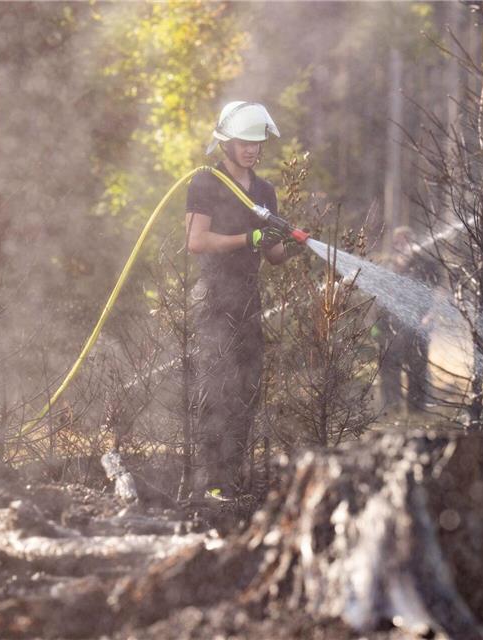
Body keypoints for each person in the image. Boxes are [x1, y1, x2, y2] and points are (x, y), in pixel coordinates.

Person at [185, 101, 295, 497]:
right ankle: (209, 483)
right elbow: (196, 242)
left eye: (257, 141)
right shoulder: (205, 183)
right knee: (217, 389)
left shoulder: (265, 191)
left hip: (249, 299)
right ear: (226, 143)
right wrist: (248, 238)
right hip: (215, 298)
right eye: (243, 141)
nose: (251, 148)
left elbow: (275, 258)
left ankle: (232, 478)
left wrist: (289, 240)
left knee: (248, 389)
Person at [373, 226, 439, 414]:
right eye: (398, 242)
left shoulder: (426, 266)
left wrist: (430, 316)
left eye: (406, 241)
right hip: (389, 327)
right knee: (388, 369)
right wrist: (376, 327)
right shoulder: (386, 267)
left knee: (417, 369)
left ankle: (416, 410)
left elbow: (439, 293)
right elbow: (378, 299)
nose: (402, 246)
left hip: (418, 327)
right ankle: (390, 408)